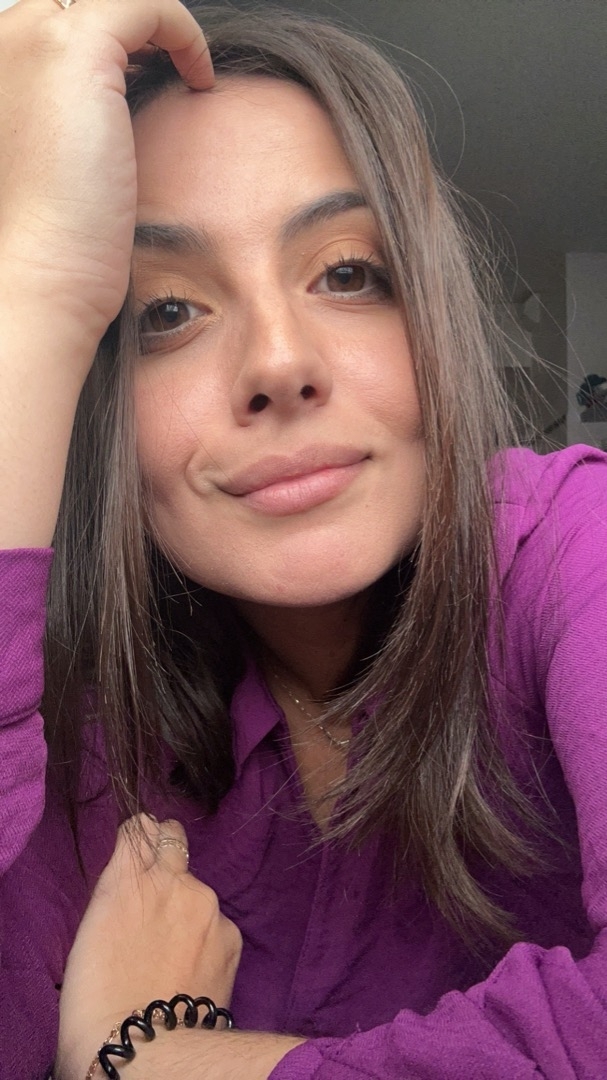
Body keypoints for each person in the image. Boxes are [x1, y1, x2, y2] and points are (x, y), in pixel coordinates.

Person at [0, 0, 606, 1077]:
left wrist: (148, 1059)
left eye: (348, 272)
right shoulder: (91, 742)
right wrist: (35, 284)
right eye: (166, 312)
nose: (279, 363)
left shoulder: (571, 543)